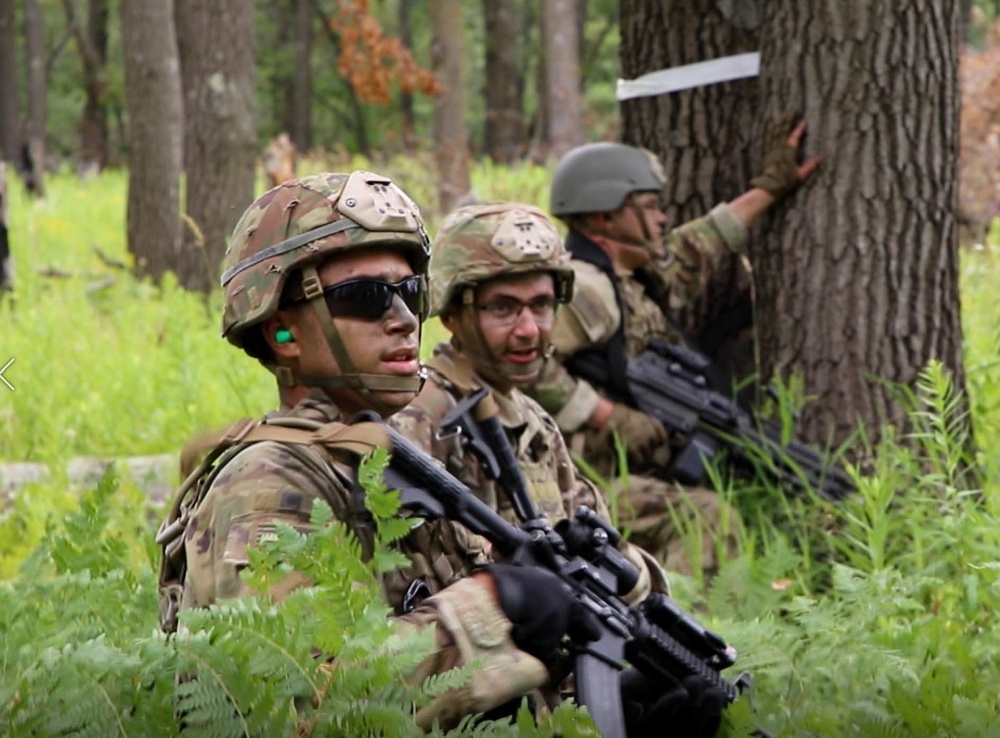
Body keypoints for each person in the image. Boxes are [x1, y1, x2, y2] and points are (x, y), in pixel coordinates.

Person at [156, 171, 598, 731]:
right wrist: (492, 604)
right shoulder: (267, 484)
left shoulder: (385, 460)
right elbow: (311, 704)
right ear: (281, 330)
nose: (404, 318)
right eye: (364, 298)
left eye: (411, 291)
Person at [527, 117, 821, 577]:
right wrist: (603, 414)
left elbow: (697, 245)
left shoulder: (631, 280)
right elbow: (526, 364)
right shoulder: (585, 289)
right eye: (648, 205)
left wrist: (771, 187)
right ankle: (680, 635)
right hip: (578, 483)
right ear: (604, 217)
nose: (663, 216)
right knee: (706, 516)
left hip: (622, 474)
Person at [390, 201, 669, 602]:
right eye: (502, 308)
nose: (528, 329)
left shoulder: (534, 420)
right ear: (452, 315)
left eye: (541, 305)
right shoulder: (421, 417)